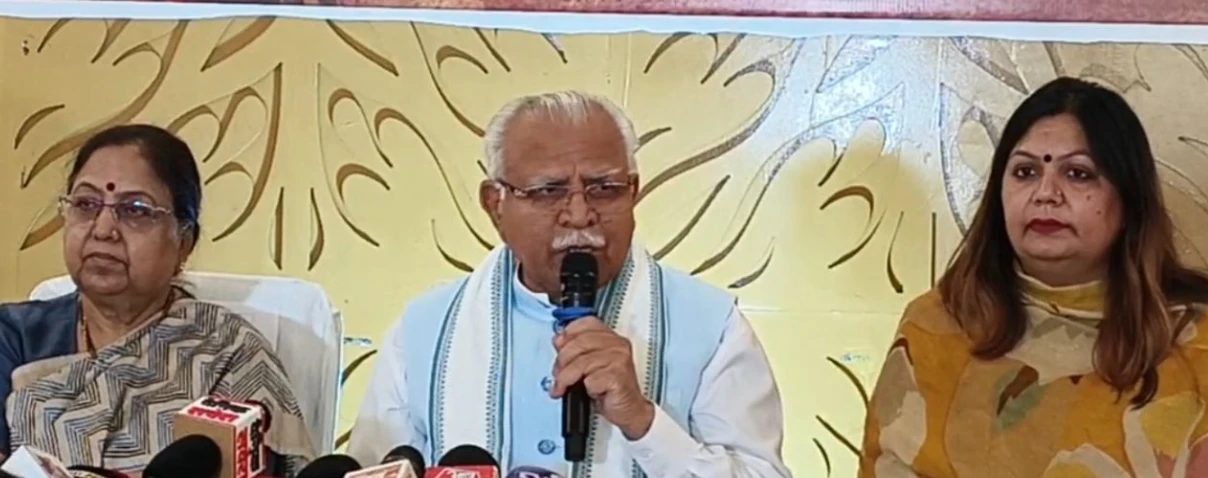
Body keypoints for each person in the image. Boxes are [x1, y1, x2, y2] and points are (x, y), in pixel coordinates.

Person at [348, 91, 790, 477]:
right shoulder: (423, 331)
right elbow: (376, 469)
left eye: (604, 188)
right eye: (548, 191)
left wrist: (645, 423)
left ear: (633, 191)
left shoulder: (712, 329)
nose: (579, 215)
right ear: (495, 204)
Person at [859, 77, 1208, 477]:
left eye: (1078, 174)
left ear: (1129, 200)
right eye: (1025, 172)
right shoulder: (937, 327)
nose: (1046, 193)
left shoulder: (1197, 341)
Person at [0, 125, 315, 474]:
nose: (102, 229)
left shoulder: (230, 352)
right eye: (86, 204)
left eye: (135, 210)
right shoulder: (13, 336)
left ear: (184, 242)